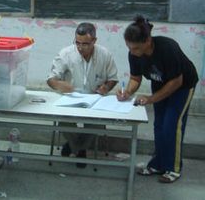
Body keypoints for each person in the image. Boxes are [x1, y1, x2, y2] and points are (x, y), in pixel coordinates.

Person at [117, 15, 198, 183]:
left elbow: (176, 81)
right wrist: (127, 92)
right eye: (129, 47)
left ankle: (173, 168)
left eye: (136, 48)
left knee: (172, 125)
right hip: (160, 83)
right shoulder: (134, 53)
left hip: (183, 86)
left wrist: (151, 98)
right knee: (159, 125)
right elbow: (135, 78)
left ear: (148, 41)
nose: (133, 52)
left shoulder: (167, 48)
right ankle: (158, 164)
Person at [47, 22, 118, 168]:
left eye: (85, 44)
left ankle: (75, 147)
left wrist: (106, 87)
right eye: (77, 43)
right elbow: (50, 79)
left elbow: (113, 78)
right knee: (63, 121)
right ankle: (80, 149)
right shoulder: (66, 54)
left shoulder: (105, 55)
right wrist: (59, 84)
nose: (80, 48)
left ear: (94, 41)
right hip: (70, 99)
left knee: (96, 124)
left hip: (95, 99)